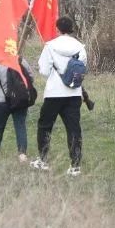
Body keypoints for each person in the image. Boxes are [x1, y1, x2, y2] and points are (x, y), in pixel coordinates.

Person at [34, 16, 87, 176]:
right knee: (73, 128)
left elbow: (43, 70)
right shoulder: (80, 47)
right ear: (71, 28)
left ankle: (43, 160)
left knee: (45, 126)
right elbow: (82, 68)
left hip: (54, 93)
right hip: (74, 93)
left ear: (57, 29)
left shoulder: (50, 46)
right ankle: (75, 165)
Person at [0, 56, 34, 162]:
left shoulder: (0, 62)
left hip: (3, 100)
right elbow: (31, 77)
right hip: (20, 100)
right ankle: (22, 154)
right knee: (20, 126)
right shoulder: (22, 60)